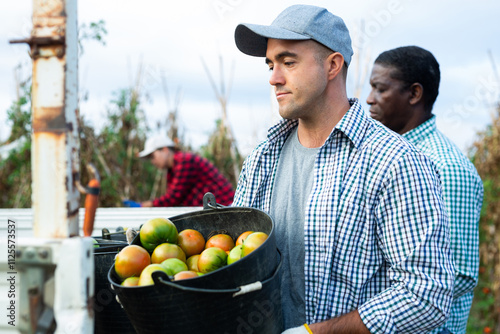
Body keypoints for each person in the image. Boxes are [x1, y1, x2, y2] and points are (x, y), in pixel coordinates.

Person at [232, 5, 455, 333]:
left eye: (288, 62)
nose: (273, 77)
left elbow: (426, 293)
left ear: (333, 65)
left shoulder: (394, 162)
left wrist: (315, 332)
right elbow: (235, 256)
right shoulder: (262, 157)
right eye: (270, 64)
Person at [367, 46, 484, 334]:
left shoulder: (447, 169)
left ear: (415, 94)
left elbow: (457, 274)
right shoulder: (385, 159)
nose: (369, 99)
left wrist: (367, 310)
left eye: (380, 89)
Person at [138, 134, 235, 207]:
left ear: (165, 150)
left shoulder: (184, 161)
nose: (152, 161)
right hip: (213, 208)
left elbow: (174, 198)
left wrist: (148, 204)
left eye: (152, 156)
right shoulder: (172, 170)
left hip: (224, 206)